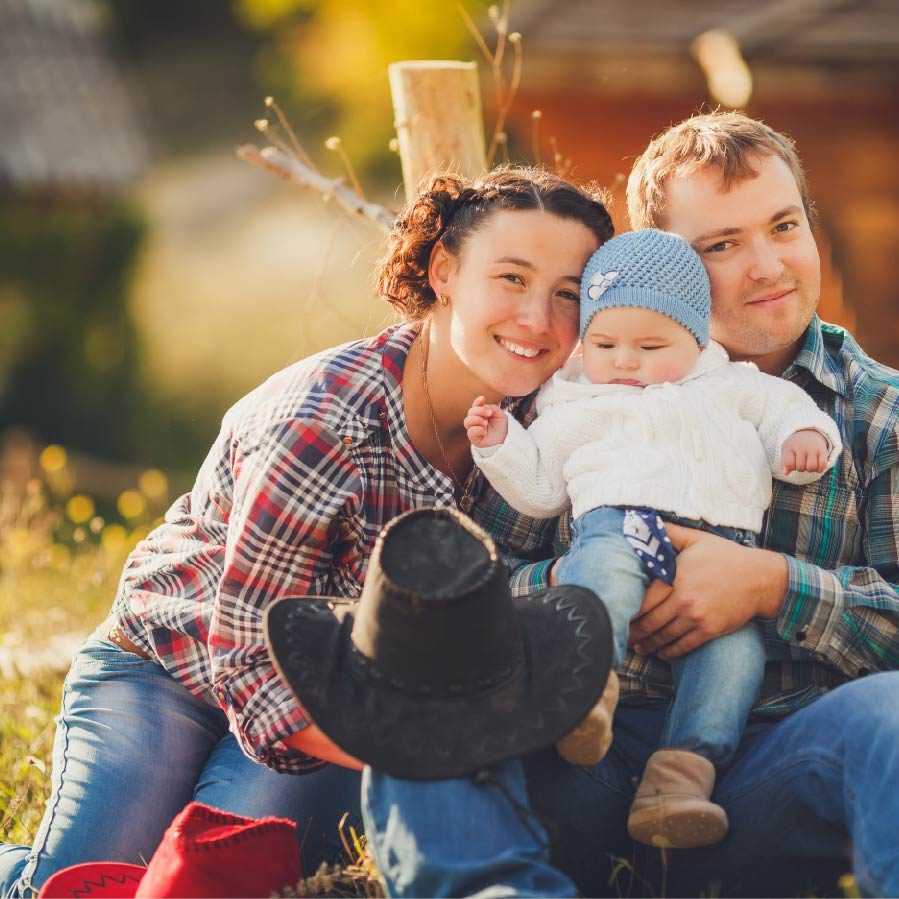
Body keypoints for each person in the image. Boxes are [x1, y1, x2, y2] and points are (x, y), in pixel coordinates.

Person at [0, 167, 615, 898]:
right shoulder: (322, 422)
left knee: (208, 885)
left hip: (332, 694)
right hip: (170, 666)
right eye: (511, 278)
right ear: (444, 271)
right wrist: (413, 754)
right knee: (77, 887)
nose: (538, 320)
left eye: (568, 293)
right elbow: (248, 658)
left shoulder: (560, 420)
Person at [361, 111, 899, 898]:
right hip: (578, 748)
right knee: (429, 667)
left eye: (783, 225)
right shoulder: (576, 385)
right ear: (663, 264)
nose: (767, 265)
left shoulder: (876, 413)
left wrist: (772, 585)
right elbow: (488, 579)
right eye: (720, 245)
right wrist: (586, 587)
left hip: (761, 766)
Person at [464, 226, 841, 850]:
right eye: (606, 343)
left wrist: (805, 441)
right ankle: (587, 690)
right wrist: (499, 445)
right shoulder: (577, 402)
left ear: (696, 337)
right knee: (601, 576)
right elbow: (537, 489)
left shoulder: (731, 384)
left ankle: (682, 776)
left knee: (733, 657)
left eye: (650, 344)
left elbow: (787, 411)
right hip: (624, 521)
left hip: (725, 549)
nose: (626, 361)